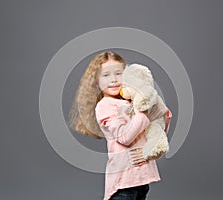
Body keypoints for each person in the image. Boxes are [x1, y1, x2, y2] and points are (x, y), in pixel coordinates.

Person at [69, 51, 172, 200]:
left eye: (119, 73)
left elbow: (158, 129)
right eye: (106, 75)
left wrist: (157, 108)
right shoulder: (105, 106)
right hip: (124, 183)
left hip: (142, 179)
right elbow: (125, 137)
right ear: (96, 80)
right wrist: (145, 113)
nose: (114, 79)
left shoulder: (133, 101)